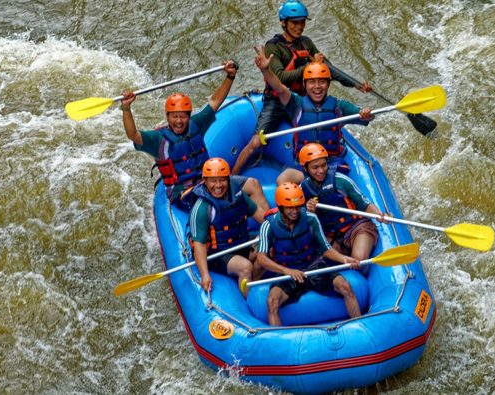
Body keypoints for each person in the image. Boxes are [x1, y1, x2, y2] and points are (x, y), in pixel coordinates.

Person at [231, 0, 372, 176]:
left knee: (318, 130)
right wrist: (308, 66)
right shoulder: (273, 46)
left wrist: (357, 85)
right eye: (295, 22)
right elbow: (281, 77)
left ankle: (325, 167)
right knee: (255, 143)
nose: (300, 27)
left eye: (302, 22)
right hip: (277, 101)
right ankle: (232, 177)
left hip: (302, 101)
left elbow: (327, 70)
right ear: (284, 22)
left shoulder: (306, 43)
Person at [119, 61, 268, 212]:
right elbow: (133, 134)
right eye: (174, 117)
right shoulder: (158, 139)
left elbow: (215, 101)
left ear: (189, 116)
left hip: (210, 182)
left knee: (253, 184)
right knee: (219, 202)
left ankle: (270, 227)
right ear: (167, 117)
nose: (179, 121)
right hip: (184, 193)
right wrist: (126, 108)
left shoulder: (196, 124)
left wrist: (230, 76)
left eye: (183, 117)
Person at [235, 48, 375, 185]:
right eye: (312, 82)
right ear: (305, 84)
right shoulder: (296, 103)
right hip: (303, 164)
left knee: (330, 185)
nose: (317, 87)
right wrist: (265, 70)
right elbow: (279, 88)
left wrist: (366, 113)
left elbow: (367, 116)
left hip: (330, 163)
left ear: (328, 84)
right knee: (282, 180)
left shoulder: (339, 106)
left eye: (322, 82)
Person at [256, 182, 362, 326]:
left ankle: (358, 326)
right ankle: (282, 342)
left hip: (314, 265)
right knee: (272, 302)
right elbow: (261, 258)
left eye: (298, 206)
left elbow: (326, 248)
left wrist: (344, 259)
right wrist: (286, 271)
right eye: (290, 207)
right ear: (281, 207)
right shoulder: (268, 226)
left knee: (346, 287)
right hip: (287, 271)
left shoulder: (311, 218)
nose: (295, 211)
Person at [299, 143, 386, 275]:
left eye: (323, 165)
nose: (321, 171)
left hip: (358, 227)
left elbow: (364, 203)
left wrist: (379, 215)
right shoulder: (303, 189)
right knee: (318, 263)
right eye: (315, 167)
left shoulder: (341, 180)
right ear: (305, 168)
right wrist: (307, 210)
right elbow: (295, 216)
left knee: (359, 261)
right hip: (334, 236)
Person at [188, 158, 265, 297]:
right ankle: (248, 300)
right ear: (205, 181)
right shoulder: (202, 208)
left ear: (228, 179)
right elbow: (199, 245)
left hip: (242, 244)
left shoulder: (237, 195)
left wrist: (278, 229)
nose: (218, 185)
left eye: (222, 180)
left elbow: (261, 216)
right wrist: (205, 275)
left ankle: (254, 282)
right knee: (245, 266)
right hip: (218, 253)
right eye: (213, 181)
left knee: (269, 246)